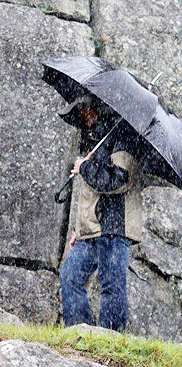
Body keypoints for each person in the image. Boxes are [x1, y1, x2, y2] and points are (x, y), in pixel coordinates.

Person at [59, 95, 143, 331]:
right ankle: (80, 333)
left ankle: (110, 339)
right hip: (92, 229)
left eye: (83, 111)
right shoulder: (96, 139)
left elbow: (118, 181)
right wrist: (79, 228)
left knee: (111, 285)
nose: (82, 118)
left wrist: (85, 167)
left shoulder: (123, 138)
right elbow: (91, 193)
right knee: (70, 278)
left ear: (94, 109)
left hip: (114, 226)